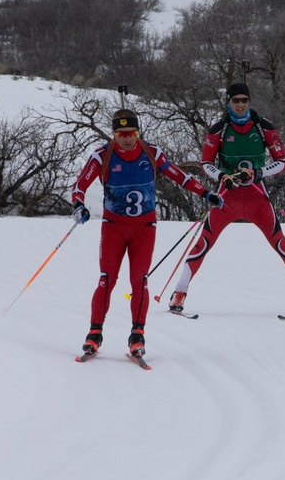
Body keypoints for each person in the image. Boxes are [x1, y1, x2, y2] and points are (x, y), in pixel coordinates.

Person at [71, 108, 222, 359]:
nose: (127, 138)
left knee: (139, 281)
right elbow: (80, 185)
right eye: (121, 134)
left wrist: (205, 193)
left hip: (144, 228)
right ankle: (94, 333)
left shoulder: (151, 152)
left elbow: (178, 175)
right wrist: (79, 205)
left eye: (131, 133)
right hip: (113, 227)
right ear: (114, 134)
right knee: (106, 279)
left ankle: (137, 335)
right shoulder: (102, 155)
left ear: (137, 132)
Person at [167, 83, 285, 314]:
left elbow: (283, 162)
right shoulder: (218, 129)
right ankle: (179, 293)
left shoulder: (263, 126)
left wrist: (259, 173)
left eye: (244, 100)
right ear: (228, 102)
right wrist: (223, 176)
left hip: (256, 197)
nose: (240, 104)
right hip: (227, 197)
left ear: (249, 101)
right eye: (235, 100)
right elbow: (206, 163)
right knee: (203, 243)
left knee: (280, 243)